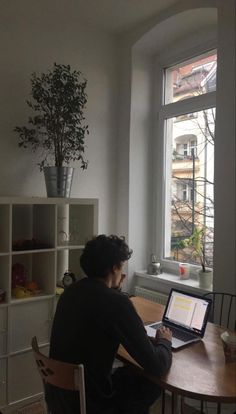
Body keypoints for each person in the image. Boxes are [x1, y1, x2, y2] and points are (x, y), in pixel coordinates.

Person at [46, 235, 172, 414]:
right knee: (151, 380)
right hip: (91, 403)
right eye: (122, 266)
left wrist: (114, 289)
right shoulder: (116, 303)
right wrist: (165, 341)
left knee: (128, 373)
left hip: (59, 398)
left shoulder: (71, 291)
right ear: (114, 268)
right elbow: (156, 365)